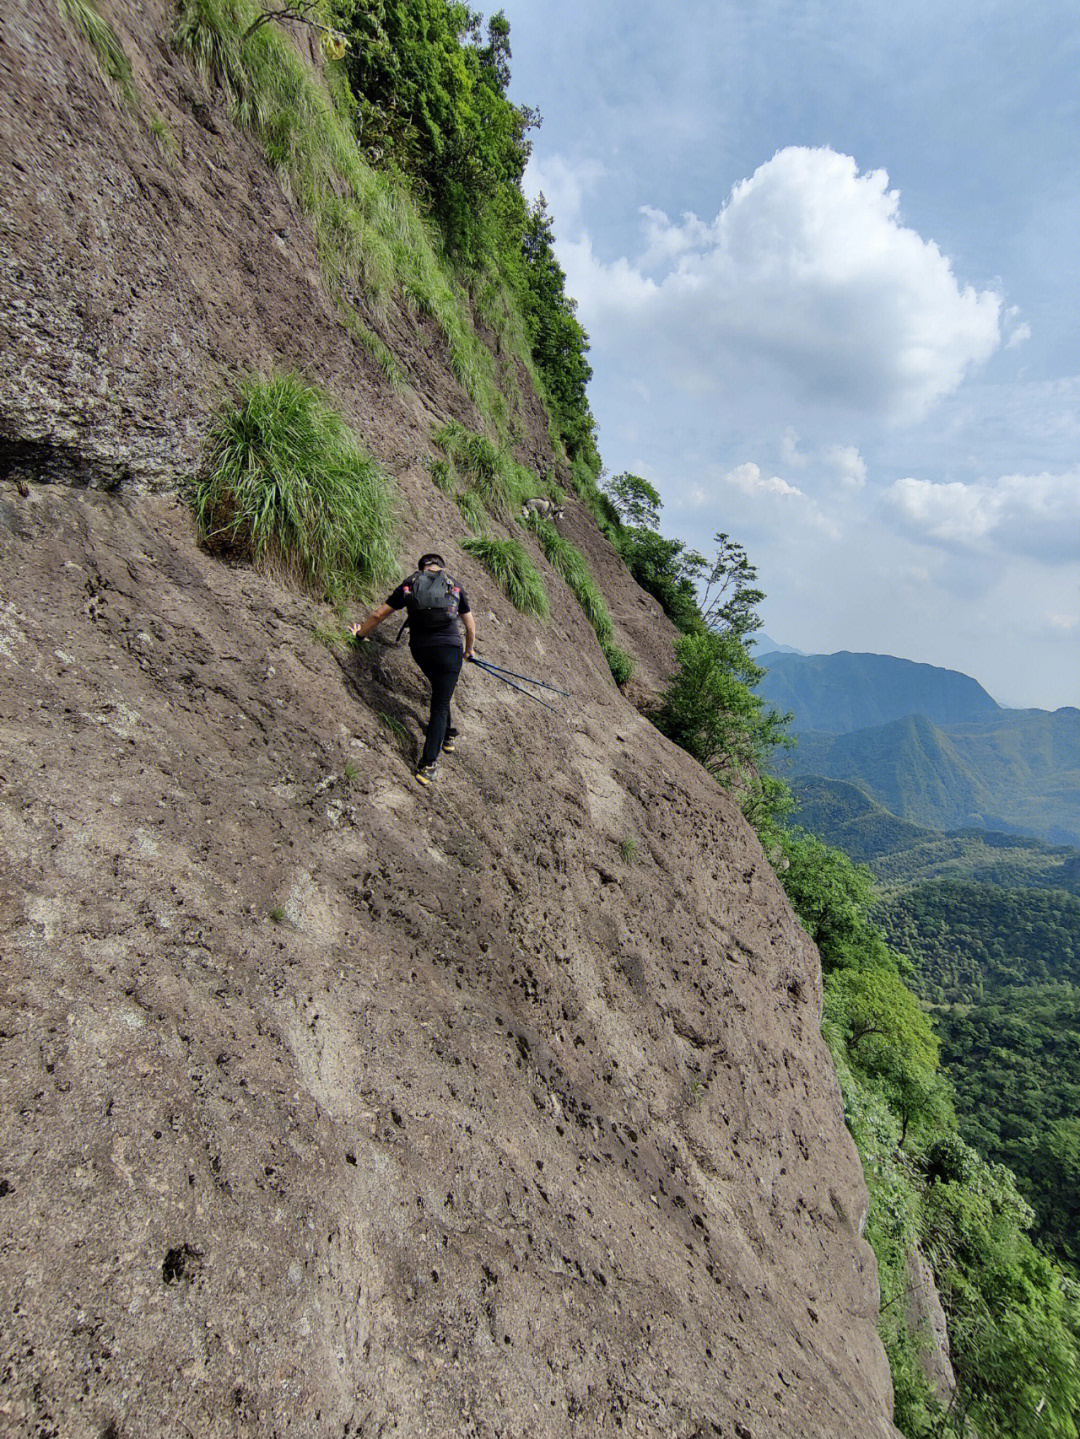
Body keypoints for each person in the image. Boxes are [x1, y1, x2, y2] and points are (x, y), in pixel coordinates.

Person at [351, 553, 476, 786]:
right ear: (441, 566)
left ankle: (447, 735)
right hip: (450, 650)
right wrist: (469, 652)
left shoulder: (410, 583)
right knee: (440, 703)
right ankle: (428, 764)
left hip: (421, 650)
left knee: (441, 692)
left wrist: (359, 635)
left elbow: (379, 614)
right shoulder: (454, 585)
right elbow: (470, 626)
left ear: (422, 568)